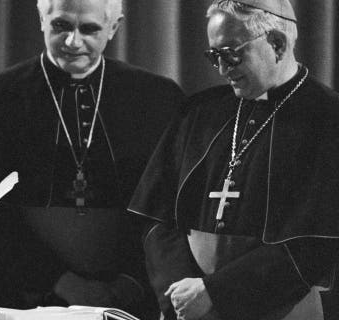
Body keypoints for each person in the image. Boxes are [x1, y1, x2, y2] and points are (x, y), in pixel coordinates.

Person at [0, 0, 184, 317]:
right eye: (61, 26)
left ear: (114, 27)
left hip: (128, 297)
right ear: (41, 19)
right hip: (23, 296)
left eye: (89, 28)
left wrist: (130, 283)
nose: (72, 42)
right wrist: (62, 281)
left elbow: (166, 210)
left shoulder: (156, 98)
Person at [128, 1, 339, 319]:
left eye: (231, 53)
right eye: (214, 56)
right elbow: (155, 217)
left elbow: (316, 244)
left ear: (277, 44)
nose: (222, 69)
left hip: (285, 308)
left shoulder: (329, 118)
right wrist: (184, 292)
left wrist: (216, 293)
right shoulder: (198, 113)